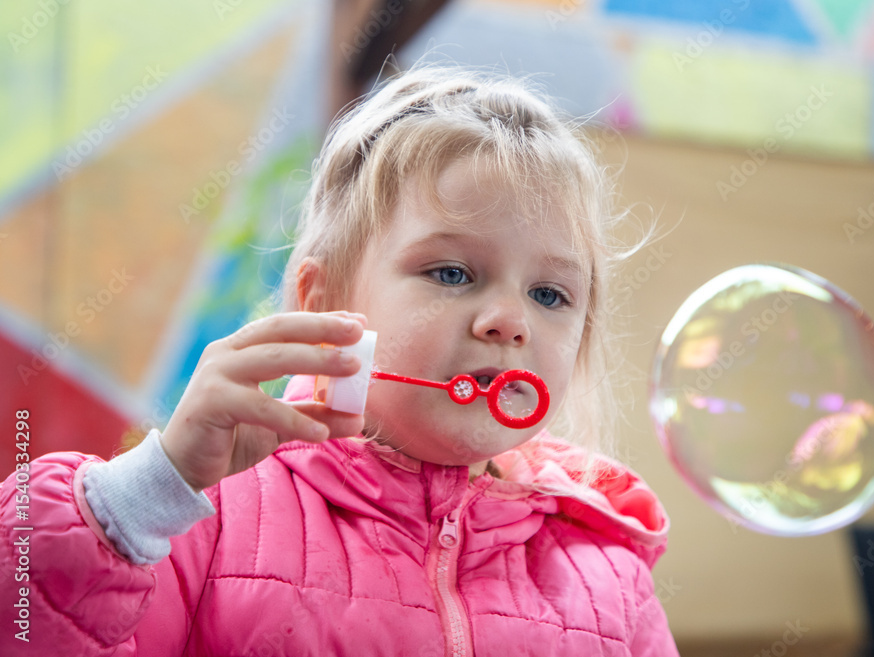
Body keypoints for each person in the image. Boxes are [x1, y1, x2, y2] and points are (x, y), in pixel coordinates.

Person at [0, 65, 679, 656]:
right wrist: (147, 494)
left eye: (550, 294)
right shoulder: (202, 514)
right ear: (323, 301)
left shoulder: (609, 571)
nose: (510, 319)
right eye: (451, 272)